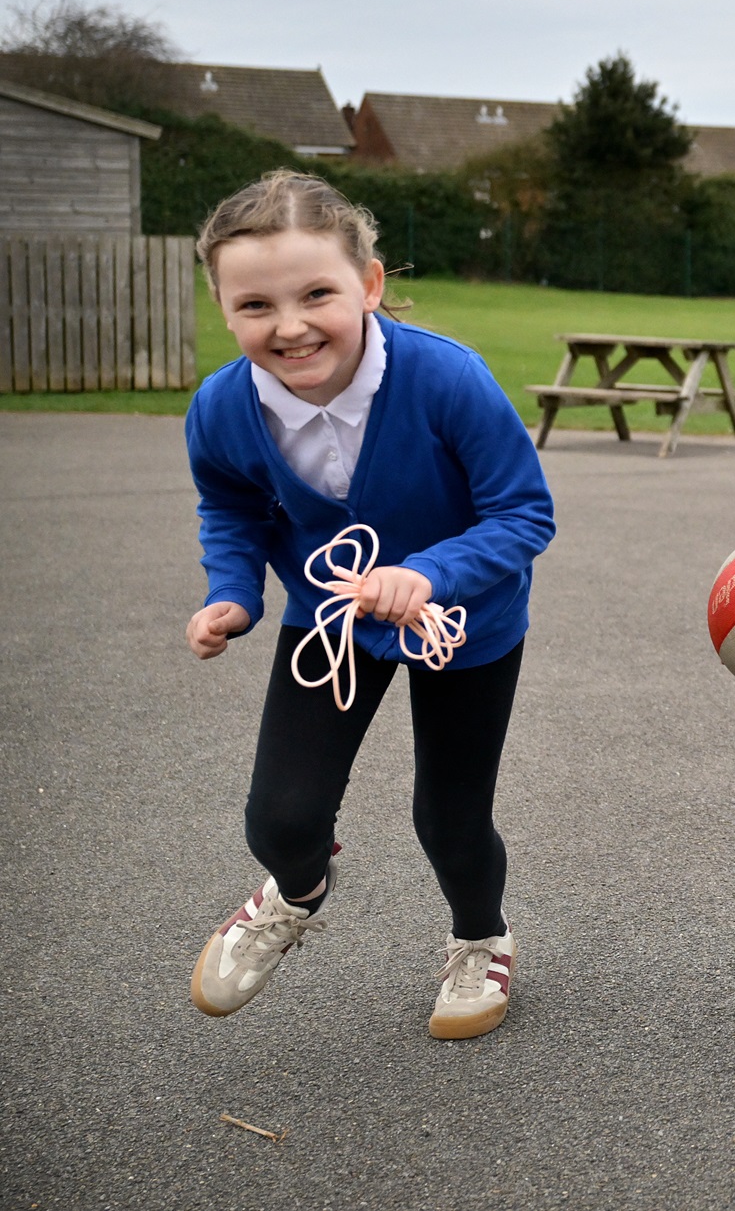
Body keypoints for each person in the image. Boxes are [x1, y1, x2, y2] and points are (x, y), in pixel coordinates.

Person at [184, 170, 555, 1040]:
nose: (290, 325)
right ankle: (298, 892)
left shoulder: (446, 380)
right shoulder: (221, 409)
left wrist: (428, 574)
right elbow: (230, 504)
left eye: (318, 293)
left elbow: (523, 513)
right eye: (255, 306)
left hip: (463, 625)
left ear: (371, 285)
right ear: (223, 309)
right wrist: (233, 594)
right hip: (332, 618)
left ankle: (480, 939)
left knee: (450, 819)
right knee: (281, 818)